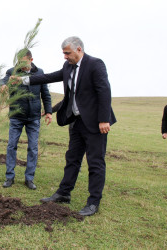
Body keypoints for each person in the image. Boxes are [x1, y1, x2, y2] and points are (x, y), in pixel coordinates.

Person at [11, 36, 116, 216]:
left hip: (96, 124)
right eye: (64, 53)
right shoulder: (68, 67)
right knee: (72, 158)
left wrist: (104, 119)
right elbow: (49, 77)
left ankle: (93, 202)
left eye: (67, 53)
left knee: (95, 163)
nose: (65, 57)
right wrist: (23, 80)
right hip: (76, 122)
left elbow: (104, 91)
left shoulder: (95, 64)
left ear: (79, 50)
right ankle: (64, 193)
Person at [0, 49, 52, 190]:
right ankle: (9, 177)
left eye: (23, 62)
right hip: (16, 116)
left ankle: (29, 179)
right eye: (18, 62)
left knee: (33, 148)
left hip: (34, 117)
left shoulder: (40, 73)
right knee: (11, 145)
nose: (20, 65)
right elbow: (2, 81)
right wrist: (1, 86)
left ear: (31, 60)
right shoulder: (12, 72)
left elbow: (45, 94)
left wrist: (49, 111)